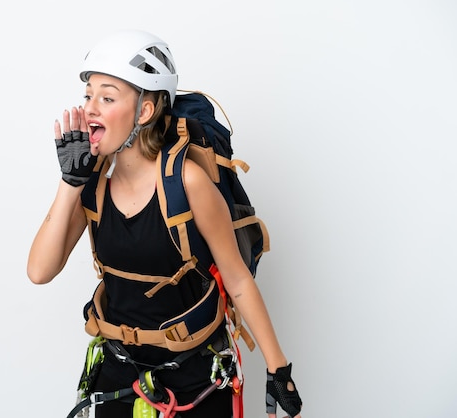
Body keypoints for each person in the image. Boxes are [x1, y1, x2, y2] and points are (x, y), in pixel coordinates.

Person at [27, 29, 303, 418]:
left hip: (197, 379)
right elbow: (39, 271)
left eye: (107, 97)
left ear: (144, 111)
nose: (90, 108)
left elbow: (237, 278)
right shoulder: (92, 185)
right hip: (118, 377)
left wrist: (279, 372)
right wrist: (70, 182)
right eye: (88, 95)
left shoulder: (188, 183)